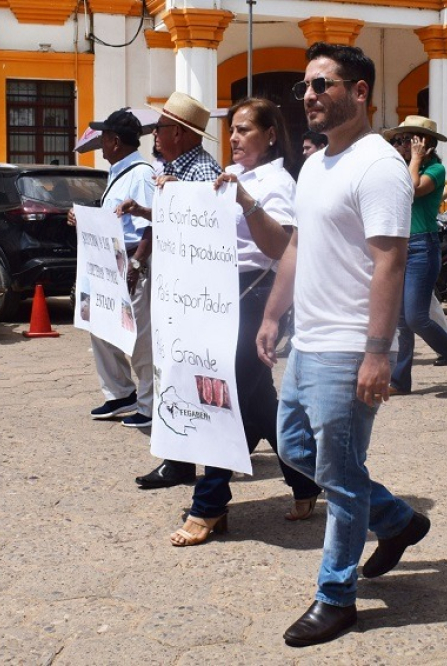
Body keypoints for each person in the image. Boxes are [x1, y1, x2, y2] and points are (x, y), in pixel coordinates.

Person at [254, 42, 429, 647]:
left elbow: (390, 264)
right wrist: (275, 316)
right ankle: (398, 521)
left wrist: (378, 352)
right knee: (299, 452)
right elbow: (299, 247)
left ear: (359, 93)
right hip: (307, 341)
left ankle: (336, 597)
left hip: (349, 346)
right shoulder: (318, 164)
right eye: (306, 85)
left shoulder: (377, 167)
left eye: (323, 84)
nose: (309, 95)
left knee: (340, 476)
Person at [160, 97, 325, 546]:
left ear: (271, 134)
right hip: (218, 296)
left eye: (246, 130)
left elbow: (281, 248)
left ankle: (210, 504)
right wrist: (177, 198)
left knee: (221, 398)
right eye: (232, 129)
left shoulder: (276, 182)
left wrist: (246, 200)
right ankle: (307, 481)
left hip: (255, 297)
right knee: (257, 404)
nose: (234, 138)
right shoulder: (239, 176)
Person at [121, 92, 224, 490]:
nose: (154, 135)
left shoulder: (199, 172)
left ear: (180, 133)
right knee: (174, 374)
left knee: (188, 375)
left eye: (160, 128)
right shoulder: (175, 168)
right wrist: (146, 210)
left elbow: (203, 228)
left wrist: (176, 193)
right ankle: (179, 460)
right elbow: (173, 222)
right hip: (175, 290)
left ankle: (189, 462)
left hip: (193, 295)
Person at [68, 108, 156, 428]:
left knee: (139, 338)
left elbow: (151, 224)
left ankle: (149, 405)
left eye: (103, 136)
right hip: (110, 262)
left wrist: (136, 264)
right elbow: (117, 220)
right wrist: (84, 220)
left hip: (132, 263)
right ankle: (121, 393)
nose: (100, 142)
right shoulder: (119, 171)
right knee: (102, 328)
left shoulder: (142, 174)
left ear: (115, 141)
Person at [384, 115, 447, 395]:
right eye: (399, 139)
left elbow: (412, 190)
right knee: (399, 319)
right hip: (398, 245)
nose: (401, 144)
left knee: (416, 317)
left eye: (409, 139)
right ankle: (400, 379)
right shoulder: (398, 168)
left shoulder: (434, 170)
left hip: (422, 247)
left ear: (426, 144)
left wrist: (416, 159)